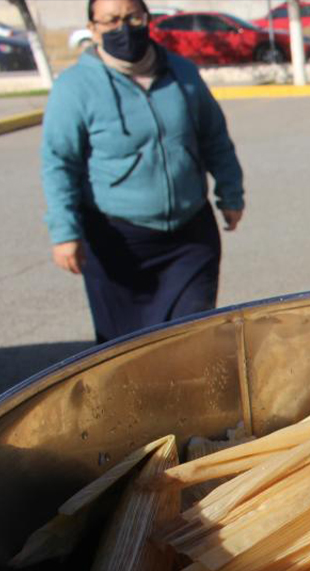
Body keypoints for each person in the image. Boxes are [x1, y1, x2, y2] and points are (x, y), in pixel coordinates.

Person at [42, 0, 244, 344]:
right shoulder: (75, 87)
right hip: (118, 243)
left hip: (190, 236)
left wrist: (231, 192)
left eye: (133, 18)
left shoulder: (182, 74)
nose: (124, 28)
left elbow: (214, 137)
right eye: (111, 21)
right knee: (124, 353)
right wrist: (64, 232)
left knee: (191, 340)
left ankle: (187, 399)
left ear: (147, 19)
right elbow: (59, 162)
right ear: (92, 28)